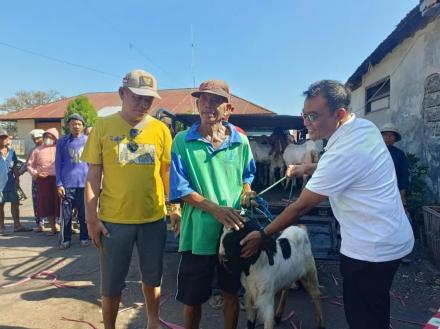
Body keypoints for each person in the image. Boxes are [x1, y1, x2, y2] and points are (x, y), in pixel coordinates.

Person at [241, 80, 414, 329]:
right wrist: (306, 168)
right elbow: (344, 166)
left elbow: (300, 207)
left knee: (363, 318)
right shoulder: (363, 127)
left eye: (313, 116)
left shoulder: (342, 153)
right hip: (392, 238)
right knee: (376, 306)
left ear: (339, 114)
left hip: (370, 251)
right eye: (304, 114)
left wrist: (263, 234)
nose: (305, 121)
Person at [82, 69, 171, 329]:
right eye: (137, 97)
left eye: (149, 99)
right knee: (111, 283)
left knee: (153, 278)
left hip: (152, 218)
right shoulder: (103, 126)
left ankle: (153, 321)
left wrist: (173, 207)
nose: (144, 104)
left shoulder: (161, 129)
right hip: (113, 222)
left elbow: (166, 172)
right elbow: (93, 175)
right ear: (122, 93)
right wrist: (90, 219)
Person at [170, 79, 256, 329]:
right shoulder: (182, 141)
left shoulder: (241, 142)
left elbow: (246, 177)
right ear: (197, 104)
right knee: (192, 298)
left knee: (231, 293)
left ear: (228, 109)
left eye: (216, 101)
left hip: (232, 232)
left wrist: (248, 193)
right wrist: (215, 210)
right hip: (197, 233)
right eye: (204, 100)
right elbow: (180, 188)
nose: (209, 105)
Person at [55, 113, 89, 249]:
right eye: (73, 124)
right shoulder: (62, 142)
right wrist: (59, 183)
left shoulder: (88, 141)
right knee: (66, 214)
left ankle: (84, 237)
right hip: (67, 184)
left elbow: (93, 163)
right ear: (68, 126)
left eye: (79, 124)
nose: (76, 126)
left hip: (84, 183)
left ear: (83, 126)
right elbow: (57, 163)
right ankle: (66, 238)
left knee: (84, 213)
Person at [27, 128, 60, 235]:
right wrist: (36, 173)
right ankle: (52, 227)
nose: (48, 139)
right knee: (48, 204)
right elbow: (29, 165)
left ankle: (64, 226)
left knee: (60, 203)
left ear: (56, 138)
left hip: (59, 180)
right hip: (44, 181)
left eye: (51, 137)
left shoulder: (60, 149)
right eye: (46, 137)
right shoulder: (37, 151)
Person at [0, 130, 32, 235]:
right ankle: (1, 226)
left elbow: (14, 166)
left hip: (11, 183)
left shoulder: (12, 151)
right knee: (1, 205)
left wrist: (17, 179)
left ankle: (17, 225)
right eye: (1, 137)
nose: (4, 140)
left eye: (5, 137)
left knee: (15, 204)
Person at [380, 123, 409, 206]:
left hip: (392, 191)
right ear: (380, 137)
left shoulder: (399, 154)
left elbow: (404, 175)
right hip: (374, 191)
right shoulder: (373, 152)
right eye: (385, 135)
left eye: (391, 135)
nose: (388, 138)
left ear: (395, 138)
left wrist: (402, 195)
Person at [27, 129, 45, 232]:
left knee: (52, 201)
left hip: (51, 179)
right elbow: (28, 165)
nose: (36, 140)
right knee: (37, 202)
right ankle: (39, 224)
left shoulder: (52, 149)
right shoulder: (32, 151)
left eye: (38, 138)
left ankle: (56, 223)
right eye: (34, 138)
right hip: (37, 180)